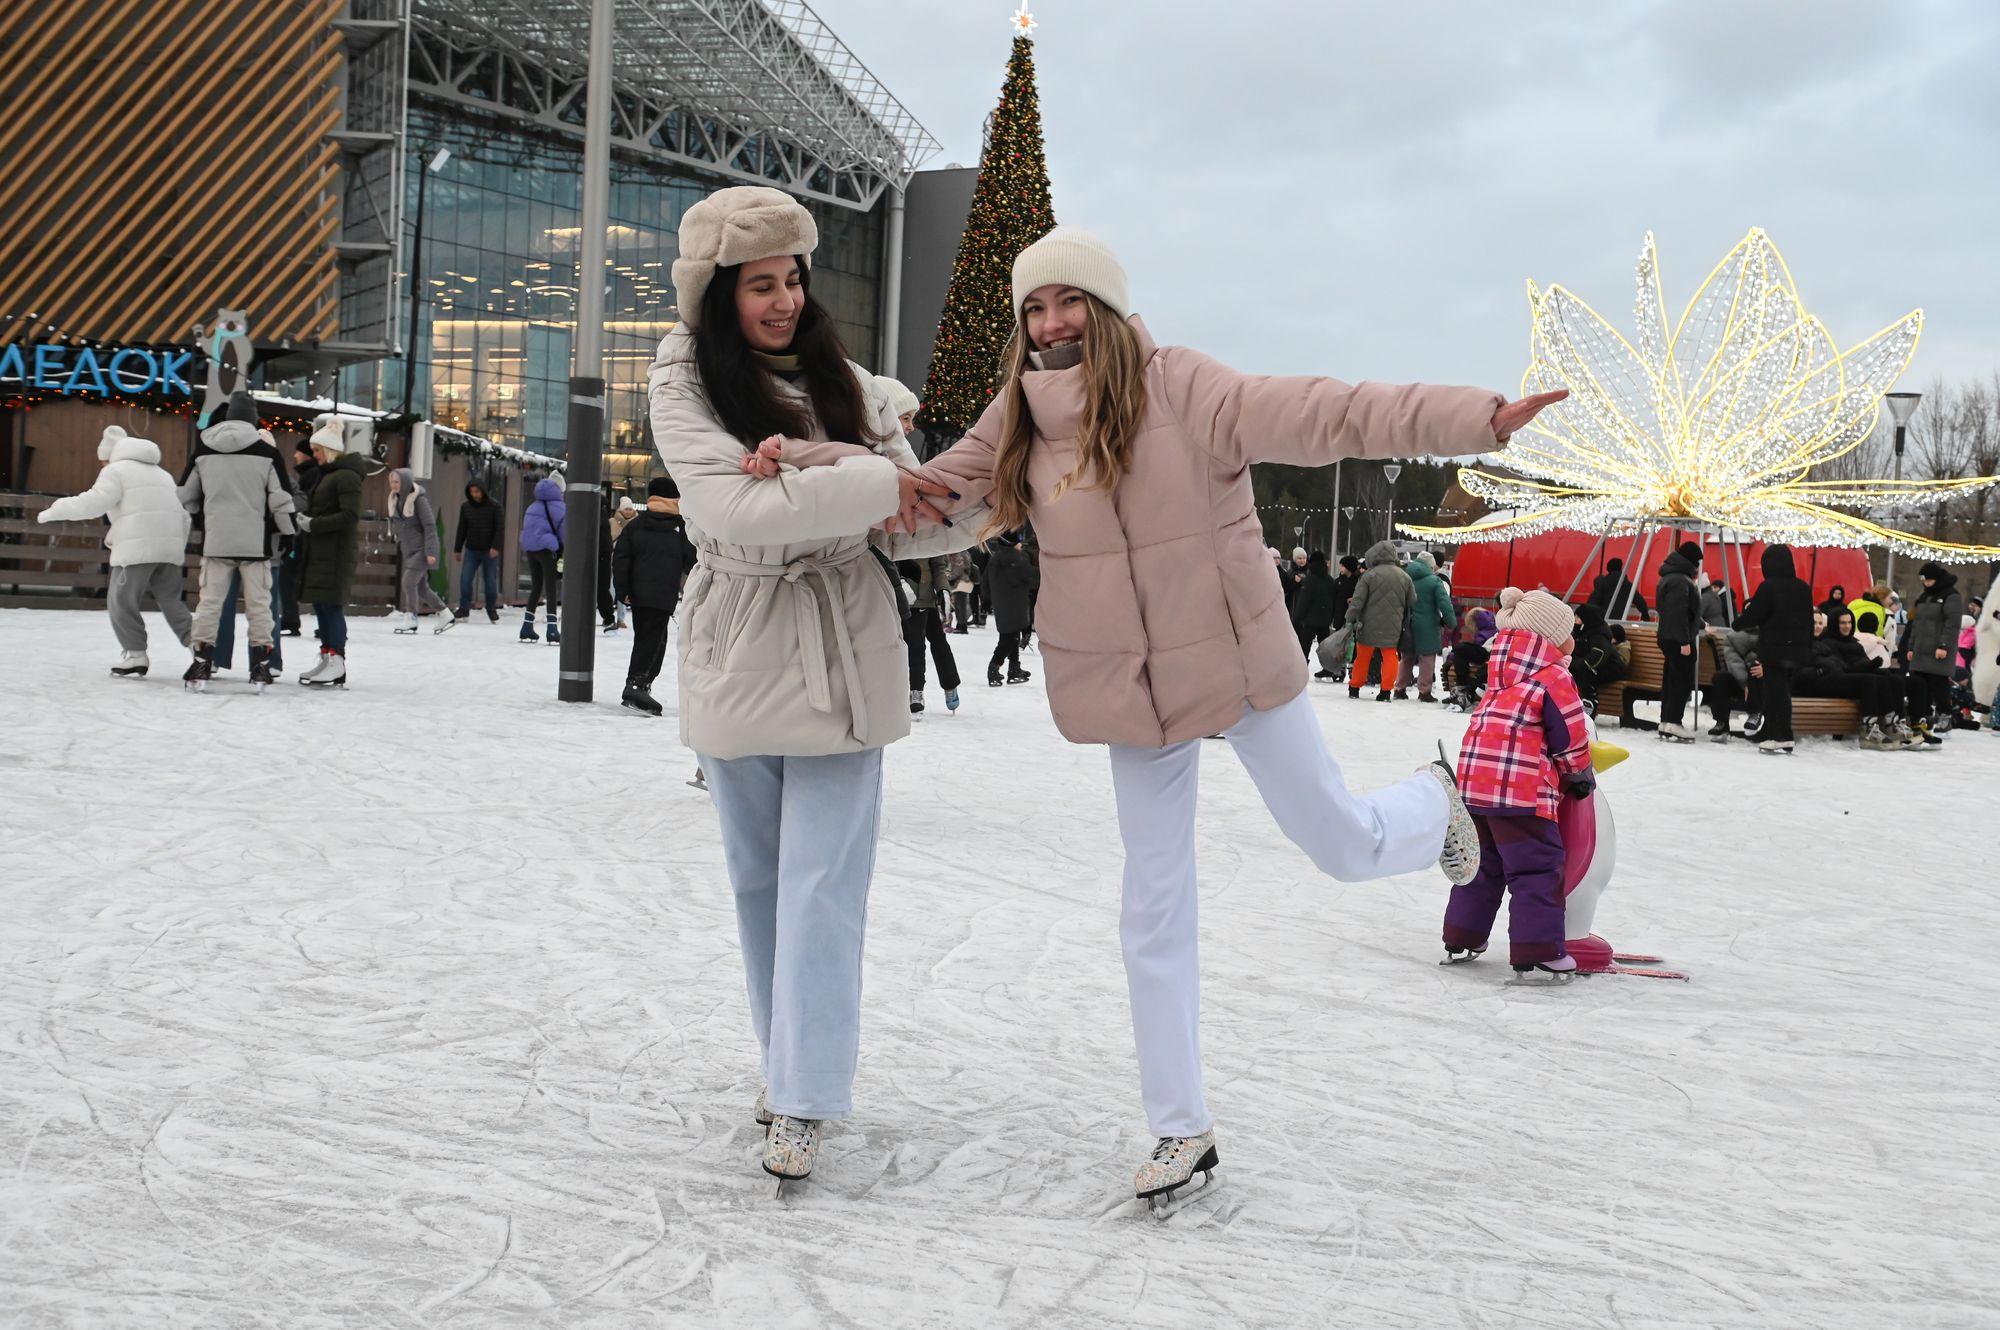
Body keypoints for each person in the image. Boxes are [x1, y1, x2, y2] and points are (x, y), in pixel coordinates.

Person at [854, 224, 1559, 1205]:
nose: (1050, 323)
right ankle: (1179, 1128)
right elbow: (930, 496)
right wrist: (806, 465)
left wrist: (1474, 417)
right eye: (1033, 309)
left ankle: (1427, 808)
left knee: (1341, 845)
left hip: (1232, 666)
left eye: (1068, 303)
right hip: (1131, 693)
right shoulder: (1016, 415)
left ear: (1102, 311)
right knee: (1151, 905)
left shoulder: (1183, 387)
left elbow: (1332, 413)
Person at [646, 185, 971, 1184]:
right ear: (717, 294)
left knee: (824, 885)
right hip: (740, 634)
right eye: (759, 285)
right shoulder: (684, 377)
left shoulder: (855, 387)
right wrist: (874, 482)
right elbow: (732, 508)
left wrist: (991, 501)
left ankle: (802, 1096)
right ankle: (786, 1061)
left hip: (842, 643)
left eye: (792, 279)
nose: (783, 300)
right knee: (760, 883)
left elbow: (909, 511)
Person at [1440, 588, 1593, 982]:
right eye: (1566, 631)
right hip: (1521, 794)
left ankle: (1462, 935)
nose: (1572, 638)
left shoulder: (1500, 672)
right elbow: (1571, 734)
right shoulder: (1553, 677)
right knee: (1536, 869)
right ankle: (1538, 951)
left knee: (1483, 865)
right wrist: (1578, 774)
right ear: (1548, 637)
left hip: (1476, 787)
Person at [37, 425, 193, 677]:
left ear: (110, 455)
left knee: (121, 601)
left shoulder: (116, 471)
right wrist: (176, 544)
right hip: (170, 548)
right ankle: (201, 648)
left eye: (102, 461)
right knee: (172, 601)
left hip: (136, 549)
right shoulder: (163, 474)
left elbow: (93, 503)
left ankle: (135, 655)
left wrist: (56, 510)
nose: (101, 466)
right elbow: (184, 515)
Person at [176, 391, 296, 690]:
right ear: (253, 419)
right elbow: (280, 499)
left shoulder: (204, 449)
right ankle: (260, 664)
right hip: (255, 543)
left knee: (209, 603)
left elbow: (185, 495)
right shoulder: (267, 452)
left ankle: (202, 659)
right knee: (259, 605)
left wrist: (205, 513)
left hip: (216, 541)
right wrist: (289, 533)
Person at [612, 476, 697, 715]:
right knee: (652, 641)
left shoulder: (636, 526)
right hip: (662, 595)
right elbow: (693, 559)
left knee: (649, 639)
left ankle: (641, 684)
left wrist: (623, 590)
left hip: (639, 595)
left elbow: (621, 559)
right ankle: (636, 684)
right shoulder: (681, 527)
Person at [294, 418, 368, 688]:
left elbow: (349, 516)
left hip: (335, 554)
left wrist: (314, 524)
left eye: (316, 450)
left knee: (331, 607)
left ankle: (337, 661)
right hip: (322, 552)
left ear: (329, 449)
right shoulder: (331, 474)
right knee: (322, 606)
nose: (314, 455)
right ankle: (327, 658)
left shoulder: (346, 476)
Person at [1793, 607, 1921, 751]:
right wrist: (1819, 671)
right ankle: (1869, 730)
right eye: (1813, 623)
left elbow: (1841, 666)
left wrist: (1870, 667)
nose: (1817, 627)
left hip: (1834, 678)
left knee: (1887, 678)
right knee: (1869, 680)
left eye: (1819, 623)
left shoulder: (1823, 643)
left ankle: (1893, 723)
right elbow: (1797, 674)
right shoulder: (1802, 643)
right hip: (1816, 685)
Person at [1733, 544, 1814, 754]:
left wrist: (1737, 624)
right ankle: (1775, 732)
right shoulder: (1803, 588)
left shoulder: (1769, 587)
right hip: (1796, 650)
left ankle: (1781, 736)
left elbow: (1756, 614)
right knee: (1782, 691)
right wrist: (1807, 646)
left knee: (1776, 692)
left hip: (1774, 649)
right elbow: (1809, 622)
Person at [1345, 540, 1414, 701]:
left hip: (1368, 623)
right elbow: (1412, 600)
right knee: (1390, 655)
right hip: (1393, 624)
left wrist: (1349, 617)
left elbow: (1358, 600)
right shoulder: (1404, 576)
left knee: (1363, 656)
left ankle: (1355, 686)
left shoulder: (1368, 575)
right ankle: (1385, 691)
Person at [1905, 562, 1964, 740]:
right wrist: (1911, 646)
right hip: (1921, 649)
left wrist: (1944, 645)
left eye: (1928, 580)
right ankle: (1923, 716)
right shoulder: (1924, 597)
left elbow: (1952, 624)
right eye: (1923, 580)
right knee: (1920, 684)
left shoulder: (1951, 596)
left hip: (1938, 650)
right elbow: (1916, 624)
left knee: (1938, 683)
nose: (1925, 583)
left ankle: (1945, 715)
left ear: (1935, 579)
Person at [386, 467, 447, 634]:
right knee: (420, 588)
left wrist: (432, 552)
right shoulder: (395, 500)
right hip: (410, 550)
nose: (394, 485)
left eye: (397, 481)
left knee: (408, 581)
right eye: (391, 481)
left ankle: (411, 617)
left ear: (405, 482)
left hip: (423, 549)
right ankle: (445, 613)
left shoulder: (419, 500)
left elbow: (430, 526)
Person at [1653, 541, 1704, 741]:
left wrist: (1700, 624)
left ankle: (1667, 721)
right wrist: (1684, 641)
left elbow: (1676, 610)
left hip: (1668, 636)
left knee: (1672, 680)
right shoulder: (1681, 581)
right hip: (1678, 639)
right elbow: (1678, 612)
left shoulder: (1670, 577)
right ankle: (1674, 722)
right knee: (1680, 682)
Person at [1396, 549, 1455, 702]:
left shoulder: (1405, 579)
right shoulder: (1434, 581)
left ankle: (1400, 688)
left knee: (1407, 657)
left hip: (1408, 623)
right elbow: (1445, 604)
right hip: (1428, 625)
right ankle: (1424, 691)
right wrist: (1451, 622)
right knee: (1427, 658)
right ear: (1430, 566)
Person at [983, 534, 1038, 686]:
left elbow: (985, 581)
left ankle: (1014, 668)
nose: (1021, 545)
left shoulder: (996, 557)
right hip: (1014, 603)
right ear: (1013, 543)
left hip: (1003, 603)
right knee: (1009, 639)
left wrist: (987, 600)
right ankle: (994, 667)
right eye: (1019, 543)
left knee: (1011, 636)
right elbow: (1031, 574)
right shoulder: (1014, 558)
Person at [518, 474, 565, 643]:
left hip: (531, 550)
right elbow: (564, 534)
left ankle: (526, 626)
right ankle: (552, 629)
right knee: (551, 587)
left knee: (536, 586)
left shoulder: (532, 506)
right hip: (548, 550)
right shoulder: (560, 507)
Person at [453, 480, 505, 622]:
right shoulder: (466, 507)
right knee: (465, 580)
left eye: (477, 491)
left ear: (483, 491)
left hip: (489, 551)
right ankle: (464, 609)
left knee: (490, 582)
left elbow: (499, 529)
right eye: (472, 492)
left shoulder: (495, 506)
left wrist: (496, 547)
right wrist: (457, 549)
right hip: (471, 549)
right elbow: (462, 528)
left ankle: (491, 609)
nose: (475, 494)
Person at [281, 439, 319, 636]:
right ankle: (290, 618)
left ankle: (290, 619)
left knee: (288, 575)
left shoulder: (310, 477)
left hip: (303, 534)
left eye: (298, 452)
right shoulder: (308, 475)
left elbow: (306, 504)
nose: (295, 456)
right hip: (304, 533)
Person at [1567, 601, 1625, 712]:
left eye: (1578, 617)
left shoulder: (1598, 635)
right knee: (1572, 672)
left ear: (1587, 619)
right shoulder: (1581, 631)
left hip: (1610, 668)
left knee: (1585, 673)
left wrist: (1577, 664)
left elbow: (1598, 655)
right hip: (1595, 665)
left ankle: (1590, 701)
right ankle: (1569, 701)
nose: (1575, 619)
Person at [1289, 550, 1337, 658]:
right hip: (1325, 620)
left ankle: (1302, 666)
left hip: (1309, 621)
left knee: (1304, 648)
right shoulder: (1330, 580)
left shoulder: (1310, 580)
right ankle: (1328, 668)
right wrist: (1331, 616)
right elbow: (1334, 600)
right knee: (1325, 647)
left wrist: (1297, 618)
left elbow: (1304, 601)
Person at [604, 494, 640, 632]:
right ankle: (608, 615)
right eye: (626, 509)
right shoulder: (611, 522)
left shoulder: (638, 523)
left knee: (624, 589)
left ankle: (621, 618)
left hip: (631, 560)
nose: (629, 511)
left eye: (630, 509)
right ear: (620, 510)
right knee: (611, 589)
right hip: (613, 559)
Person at [1585, 556, 1647, 620]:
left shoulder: (1602, 584)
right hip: (1620, 621)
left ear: (1608, 569)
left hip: (1603, 620)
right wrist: (1645, 615)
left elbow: (1592, 602)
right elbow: (1640, 602)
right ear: (1620, 569)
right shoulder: (1628, 585)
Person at [945, 550, 976, 633]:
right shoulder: (964, 552)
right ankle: (961, 625)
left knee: (960, 605)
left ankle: (962, 626)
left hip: (961, 582)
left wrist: (948, 577)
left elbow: (958, 569)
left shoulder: (958, 554)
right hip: (963, 581)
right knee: (960, 605)